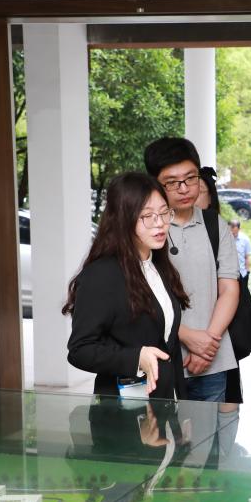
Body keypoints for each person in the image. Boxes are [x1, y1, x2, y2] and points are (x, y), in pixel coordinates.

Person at [63, 172, 189, 401]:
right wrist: (136, 358)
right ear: (123, 220)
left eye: (164, 212)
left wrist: (181, 402)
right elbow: (80, 350)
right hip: (121, 410)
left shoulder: (159, 266)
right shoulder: (102, 274)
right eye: (148, 216)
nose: (160, 223)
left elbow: (168, 345)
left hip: (162, 404)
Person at [144, 138, 240, 403]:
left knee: (207, 431)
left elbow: (229, 289)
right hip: (160, 359)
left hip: (212, 360)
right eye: (172, 182)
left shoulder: (214, 225)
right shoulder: (147, 228)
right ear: (155, 183)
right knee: (158, 429)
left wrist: (207, 344)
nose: (184, 188)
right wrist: (188, 337)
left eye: (190, 178)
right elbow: (138, 295)